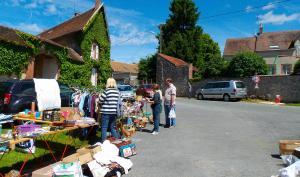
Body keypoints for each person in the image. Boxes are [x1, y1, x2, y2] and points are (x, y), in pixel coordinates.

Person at [99, 78, 120, 142]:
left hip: (105, 112)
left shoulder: (106, 91)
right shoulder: (117, 92)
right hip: (114, 113)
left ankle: (104, 143)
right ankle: (117, 141)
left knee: (104, 128)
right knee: (112, 128)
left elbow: (100, 101)